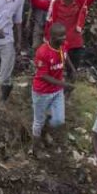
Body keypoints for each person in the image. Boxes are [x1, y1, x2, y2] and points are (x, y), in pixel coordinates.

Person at [29, 0, 97, 81]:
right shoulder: (54, 4)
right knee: (55, 72)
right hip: (57, 45)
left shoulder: (80, 1)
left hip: (75, 44)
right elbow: (36, 3)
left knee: (72, 72)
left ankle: (67, 94)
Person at [30, 23, 72, 155]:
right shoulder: (42, 52)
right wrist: (64, 84)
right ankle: (35, 149)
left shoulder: (63, 45)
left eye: (64, 35)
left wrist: (72, 68)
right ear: (52, 37)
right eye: (61, 36)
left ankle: (45, 131)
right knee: (38, 121)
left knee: (59, 120)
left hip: (57, 90)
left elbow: (65, 55)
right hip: (42, 92)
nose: (64, 38)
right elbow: (42, 76)